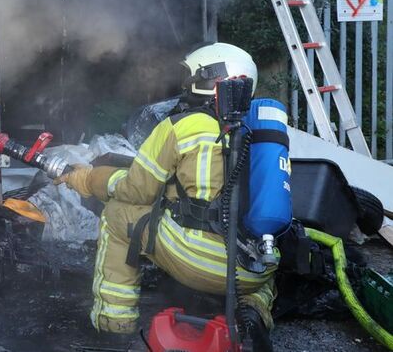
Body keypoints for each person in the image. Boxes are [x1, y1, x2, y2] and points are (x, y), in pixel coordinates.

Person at [58, 42, 274, 349]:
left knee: (117, 216)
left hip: (198, 260)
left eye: (191, 76)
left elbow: (135, 190)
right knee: (273, 256)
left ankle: (113, 323)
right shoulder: (264, 128)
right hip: (253, 271)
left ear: (207, 79)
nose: (185, 84)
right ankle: (252, 312)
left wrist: (88, 178)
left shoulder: (180, 126)